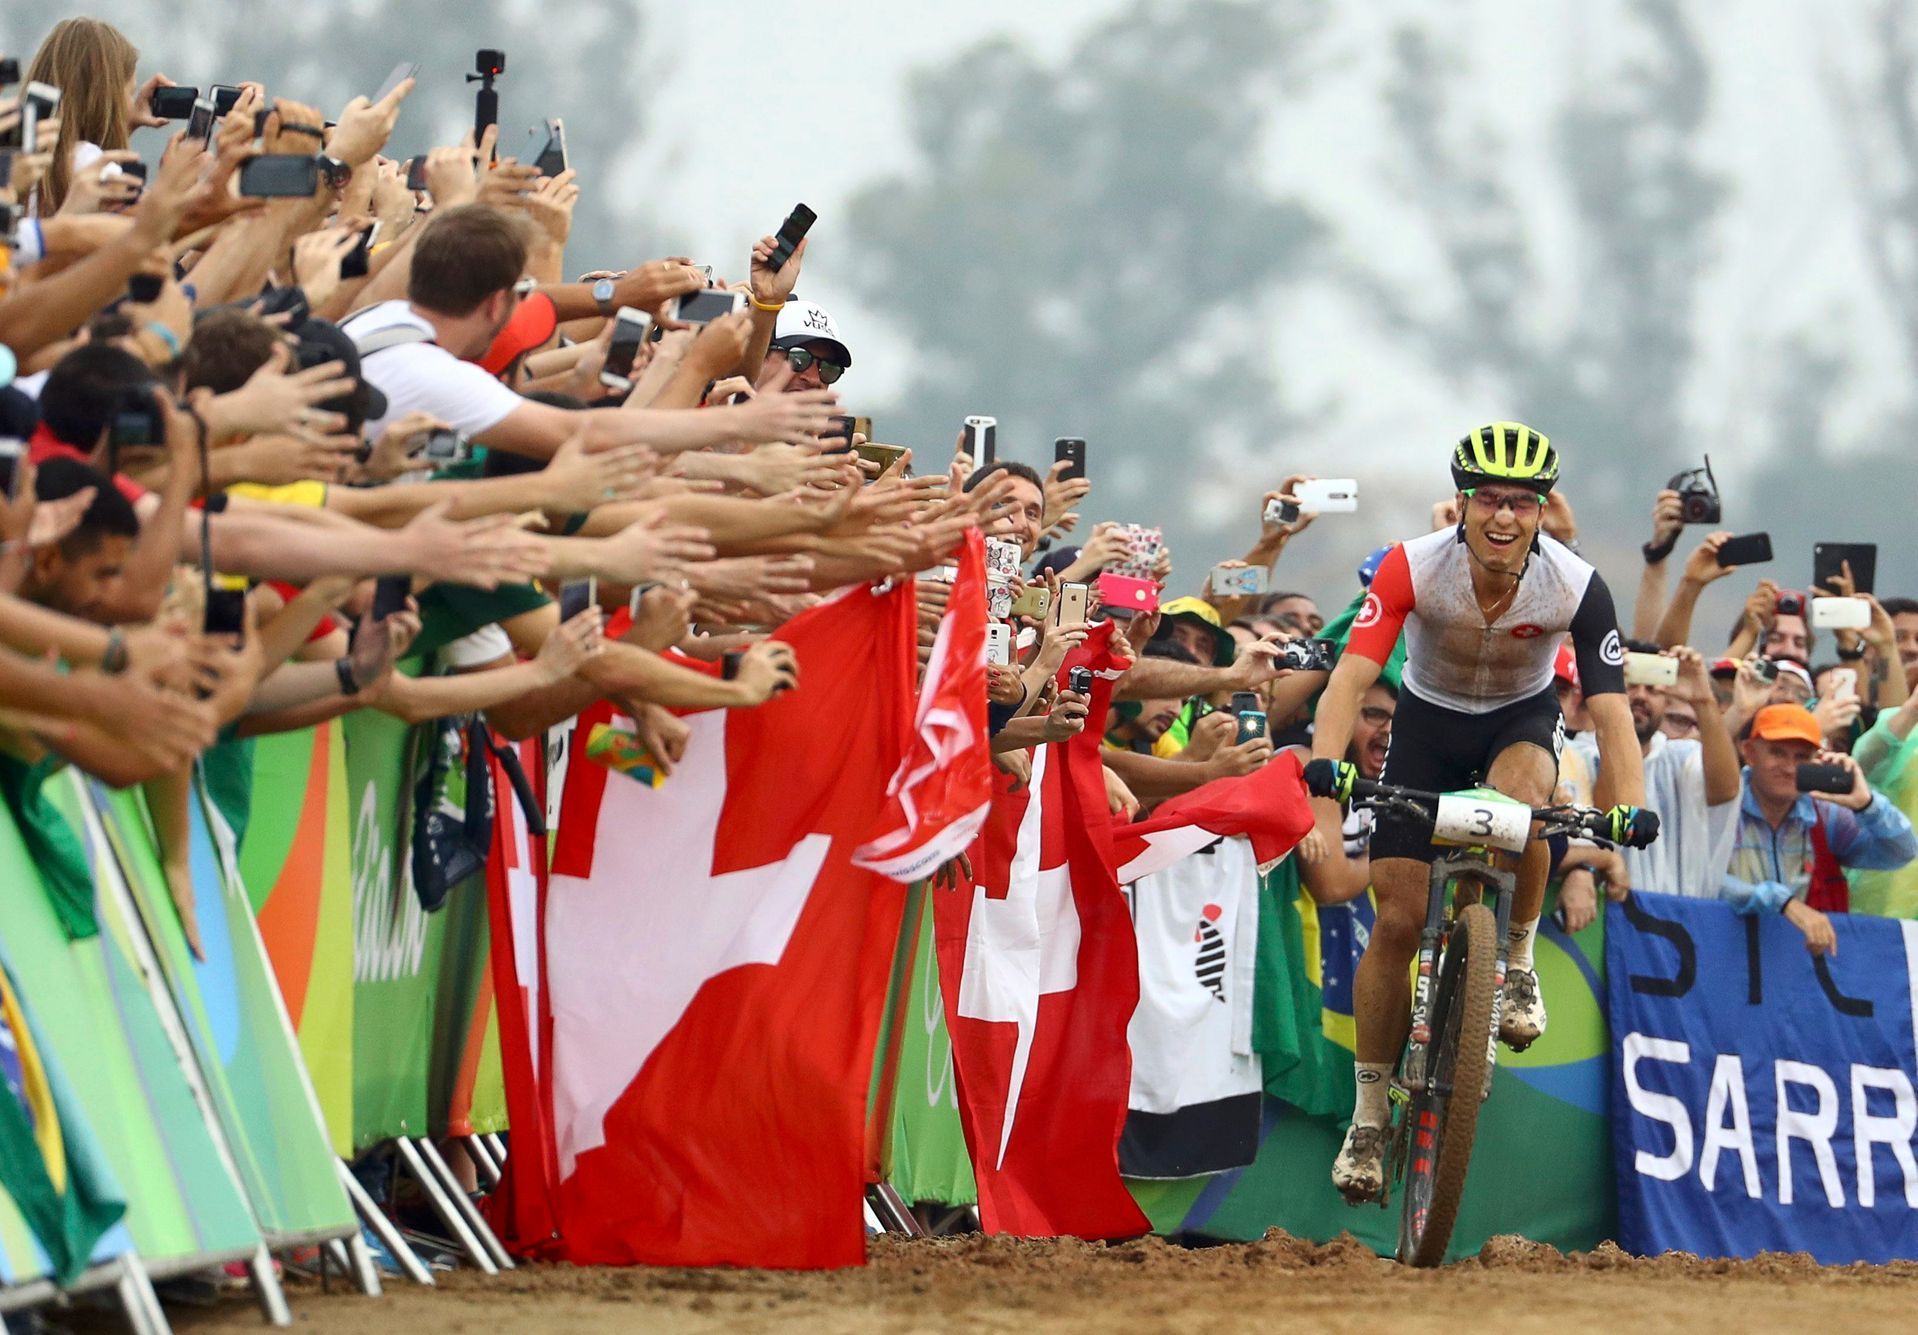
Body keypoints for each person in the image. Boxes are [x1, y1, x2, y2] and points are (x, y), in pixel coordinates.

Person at [1305, 422, 1655, 1202]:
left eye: (1522, 503)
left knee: (1527, 803)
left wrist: (1629, 811)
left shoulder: (1575, 583)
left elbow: (1615, 712)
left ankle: (1517, 960)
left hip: (1518, 720)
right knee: (1396, 920)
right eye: (1490, 499)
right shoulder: (1411, 566)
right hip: (1426, 727)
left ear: (1541, 512)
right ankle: (1368, 1114)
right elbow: (1347, 680)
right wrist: (1328, 774)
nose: (1504, 517)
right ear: (1462, 504)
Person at [1721, 703, 1917, 955]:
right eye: (1777, 753)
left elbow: (1902, 852)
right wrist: (1781, 902)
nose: (1790, 767)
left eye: (1801, 757)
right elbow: (1702, 878)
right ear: (1749, 752)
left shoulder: (1825, 813)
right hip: (1724, 960)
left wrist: (1867, 804)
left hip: (1802, 970)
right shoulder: (1724, 803)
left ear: (1817, 759)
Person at [1572, 643, 1738, 898]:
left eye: (1652, 689)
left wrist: (1702, 698)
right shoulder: (1580, 754)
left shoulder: (1680, 757)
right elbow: (1608, 819)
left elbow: (1726, 790)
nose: (1640, 696)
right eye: (1630, 685)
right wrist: (1612, 706)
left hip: (1673, 918)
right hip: (1606, 913)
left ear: (1668, 700)